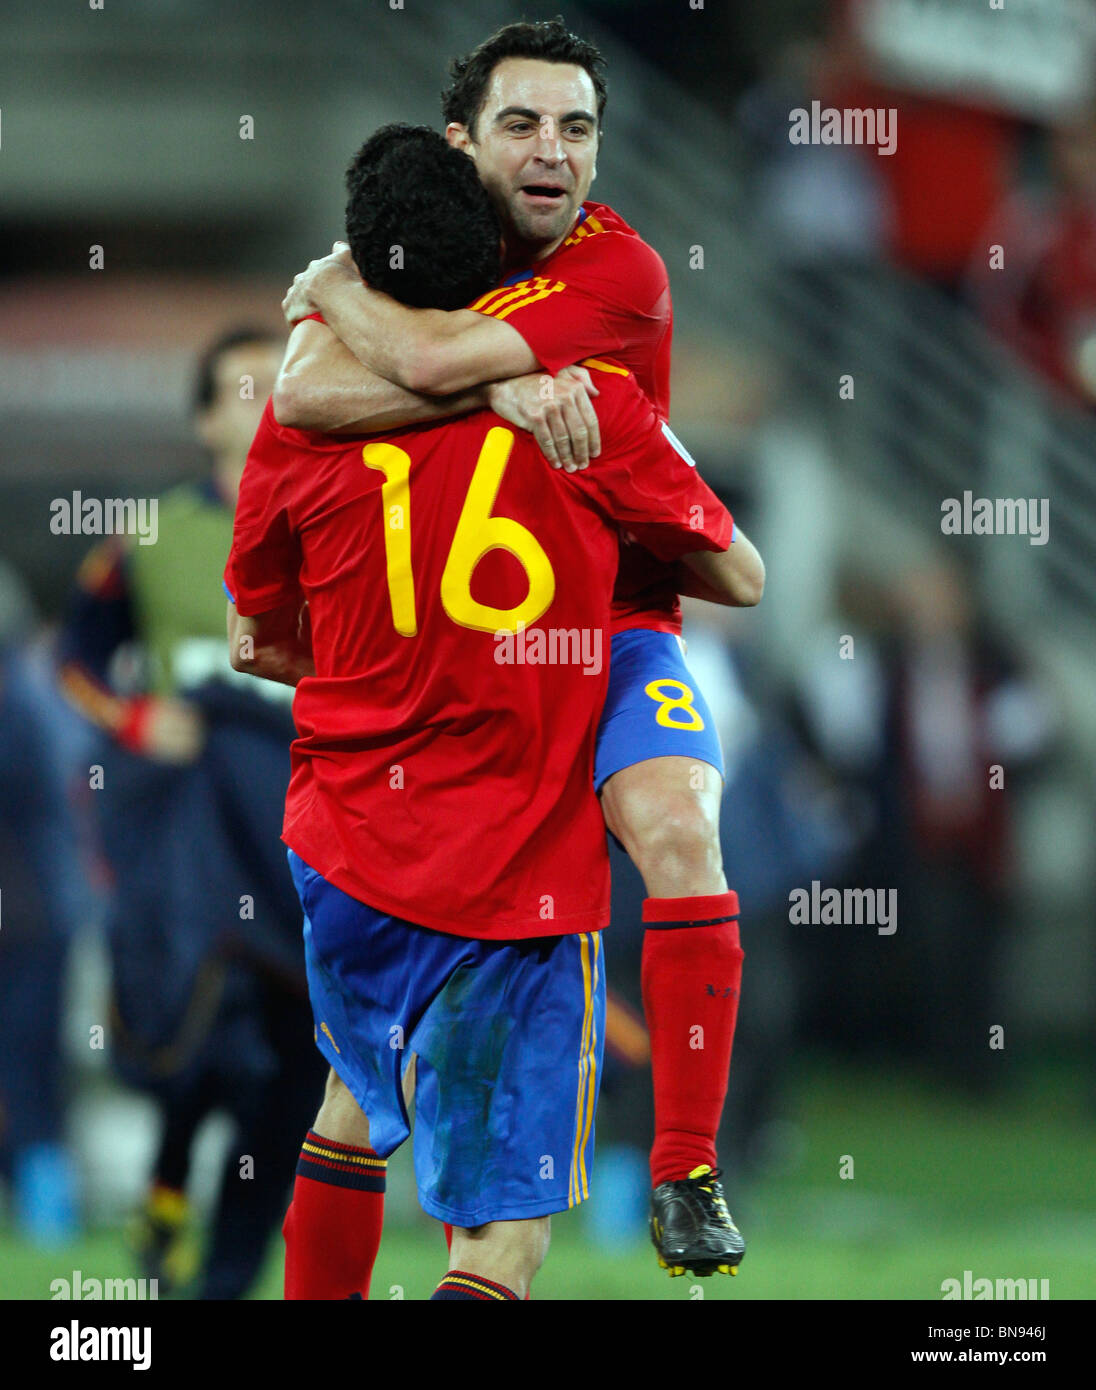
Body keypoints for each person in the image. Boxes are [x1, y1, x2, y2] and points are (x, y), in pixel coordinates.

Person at [225, 124, 763, 1300]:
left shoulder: (298, 418)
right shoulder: (587, 408)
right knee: (503, 1235)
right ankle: (687, 1159)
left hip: (349, 835)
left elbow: (254, 638)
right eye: (524, 126)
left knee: (350, 1100)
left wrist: (379, 670)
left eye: (574, 127)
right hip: (515, 845)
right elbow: (739, 574)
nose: (552, 152)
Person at [57, 329, 326, 1298]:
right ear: (206, 414)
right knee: (208, 1039)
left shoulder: (347, 515)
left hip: (303, 825)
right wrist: (135, 716)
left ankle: (224, 1271)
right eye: (242, 387)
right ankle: (170, 1180)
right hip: (194, 828)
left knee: (297, 1064)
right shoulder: (154, 534)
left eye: (280, 383)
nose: (263, 403)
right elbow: (75, 658)